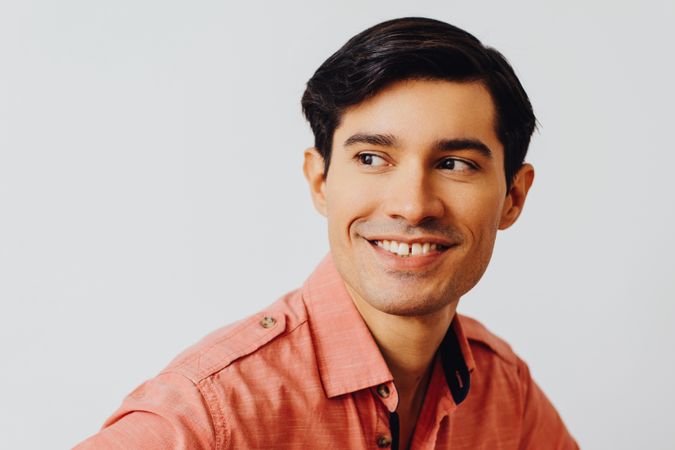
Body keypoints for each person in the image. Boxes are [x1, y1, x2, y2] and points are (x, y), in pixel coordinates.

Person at [75, 17, 578, 449]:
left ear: (514, 196)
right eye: (372, 158)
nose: (412, 205)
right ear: (320, 181)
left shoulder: (505, 391)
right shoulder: (211, 412)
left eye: (454, 163)